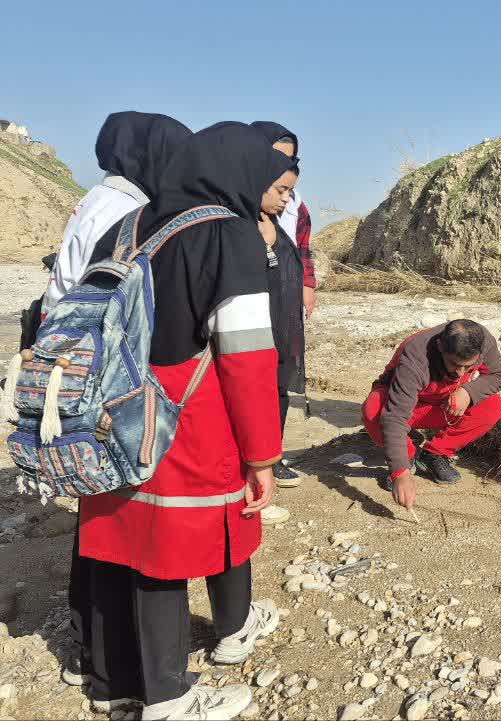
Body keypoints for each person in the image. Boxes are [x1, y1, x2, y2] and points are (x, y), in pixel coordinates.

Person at [78, 122, 294, 719]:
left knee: (116, 545)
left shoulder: (127, 226)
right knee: (162, 555)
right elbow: (246, 358)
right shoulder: (228, 234)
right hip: (181, 420)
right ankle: (169, 697)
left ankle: (112, 683)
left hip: (108, 409)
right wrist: (262, 456)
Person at [38, 111, 191, 693]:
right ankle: (102, 654)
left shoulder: (99, 199)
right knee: (106, 508)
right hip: (95, 369)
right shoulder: (126, 210)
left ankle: (91, 646)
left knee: (94, 504)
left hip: (72, 357)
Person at [43, 112, 191, 314]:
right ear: (154, 159)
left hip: (56, 317)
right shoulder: (126, 209)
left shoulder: (103, 196)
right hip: (76, 324)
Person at [363, 320, 501, 500]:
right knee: (373, 408)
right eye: (455, 364)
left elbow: (499, 375)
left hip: (445, 404)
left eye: (468, 367)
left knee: (492, 406)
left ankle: (434, 454)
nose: (461, 373)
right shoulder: (416, 355)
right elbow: (395, 417)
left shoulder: (483, 341)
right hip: (407, 405)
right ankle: (407, 455)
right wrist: (400, 473)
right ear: (440, 346)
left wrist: (468, 392)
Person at [250, 121, 310, 499]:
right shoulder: (239, 221)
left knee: (279, 387)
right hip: (253, 329)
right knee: (253, 392)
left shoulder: (284, 212)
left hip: (283, 322)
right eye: (280, 188)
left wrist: (307, 286)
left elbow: (302, 248)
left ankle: (271, 456)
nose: (286, 196)